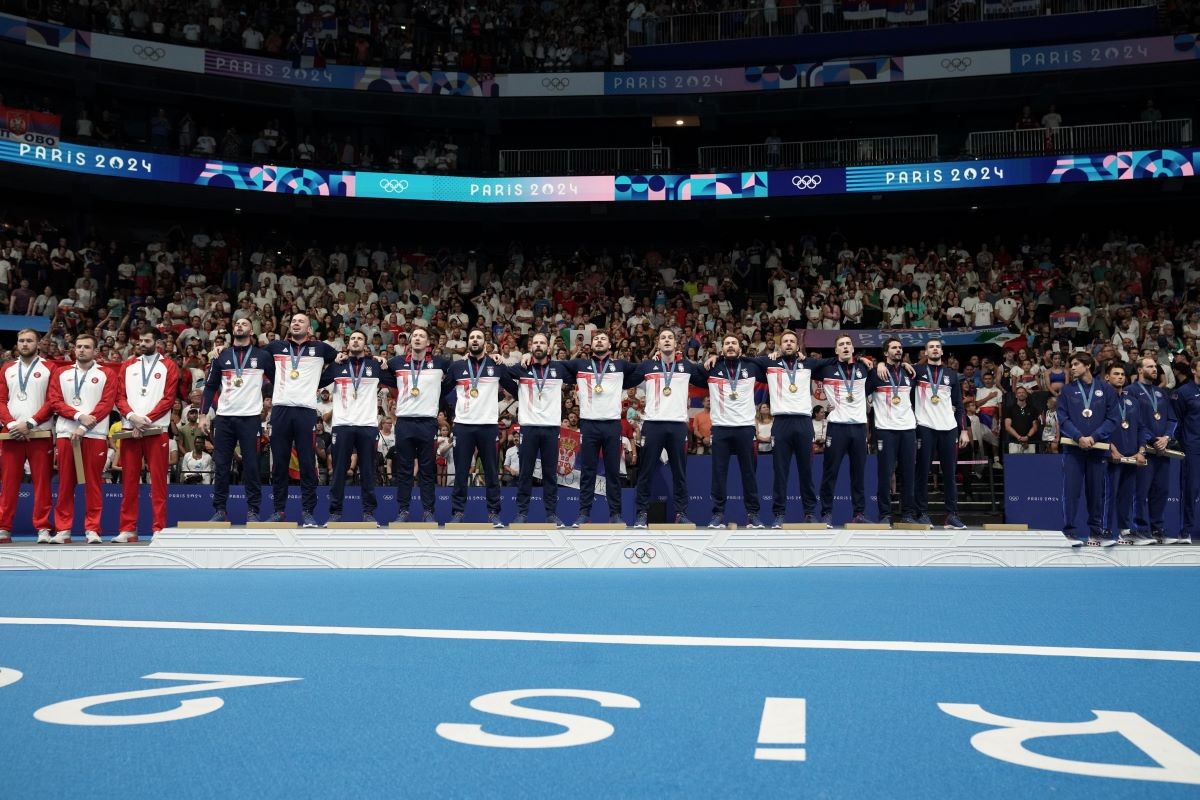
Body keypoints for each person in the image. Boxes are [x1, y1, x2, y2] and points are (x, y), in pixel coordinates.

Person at [747, 330, 840, 526]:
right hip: (780, 423)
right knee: (780, 472)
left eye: (792, 341)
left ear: (798, 346)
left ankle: (809, 512)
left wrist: (874, 362)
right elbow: (746, 360)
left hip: (804, 424)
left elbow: (834, 361)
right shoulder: (770, 363)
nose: (788, 344)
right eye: (785, 341)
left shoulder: (808, 364)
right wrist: (767, 354)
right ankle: (779, 513)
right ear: (780, 346)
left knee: (806, 471)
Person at [265, 313, 340, 526]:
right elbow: (261, 362)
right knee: (279, 463)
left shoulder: (321, 348)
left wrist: (319, 381)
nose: (296, 323)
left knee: (308, 463)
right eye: (293, 321)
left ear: (309, 329)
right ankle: (279, 510)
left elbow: (341, 361)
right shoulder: (276, 347)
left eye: (301, 321)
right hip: (280, 410)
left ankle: (307, 511)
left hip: (306, 411)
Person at [630, 328, 708, 528]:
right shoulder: (647, 366)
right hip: (653, 425)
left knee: (679, 473)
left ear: (676, 344)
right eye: (663, 338)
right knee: (646, 472)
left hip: (677, 426)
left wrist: (713, 358)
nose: (666, 340)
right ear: (658, 343)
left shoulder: (686, 366)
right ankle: (641, 513)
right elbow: (627, 378)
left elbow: (707, 376)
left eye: (670, 338)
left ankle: (681, 513)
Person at [200, 317, 275, 523]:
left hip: (250, 419)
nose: (239, 326)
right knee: (221, 465)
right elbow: (210, 387)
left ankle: (253, 510)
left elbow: (279, 381)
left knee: (251, 466)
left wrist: (274, 409)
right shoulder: (221, 355)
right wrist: (203, 415)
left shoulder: (263, 356)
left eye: (244, 324)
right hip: (224, 418)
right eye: (237, 324)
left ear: (252, 331)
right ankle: (220, 510)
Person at [322, 331, 396, 524]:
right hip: (342, 425)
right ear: (348, 344)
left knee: (368, 470)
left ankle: (369, 512)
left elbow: (396, 382)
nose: (355, 341)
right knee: (338, 470)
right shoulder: (338, 365)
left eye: (359, 339)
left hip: (367, 426)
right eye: (352, 338)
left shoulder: (374, 365)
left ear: (366, 344)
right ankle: (335, 511)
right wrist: (331, 361)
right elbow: (319, 382)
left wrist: (386, 365)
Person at [48, 334, 116, 543]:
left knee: (94, 483)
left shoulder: (107, 373)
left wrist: (85, 426)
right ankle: (63, 530)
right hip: (67, 433)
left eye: (87, 347)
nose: (82, 350)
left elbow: (106, 404)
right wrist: (79, 417)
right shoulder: (61, 373)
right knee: (65, 483)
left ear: (96, 351)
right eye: (78, 346)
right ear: (74, 350)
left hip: (95, 434)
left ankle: (93, 529)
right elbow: (55, 401)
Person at [564, 331, 638, 526]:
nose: (599, 341)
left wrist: (657, 357)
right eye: (596, 339)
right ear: (591, 345)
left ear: (610, 345)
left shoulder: (620, 365)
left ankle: (615, 514)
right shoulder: (580, 365)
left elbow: (644, 370)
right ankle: (584, 513)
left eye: (603, 338)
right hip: (589, 425)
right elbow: (555, 365)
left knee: (613, 471)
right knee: (587, 471)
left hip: (612, 425)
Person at [114, 330, 181, 542]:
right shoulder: (128, 365)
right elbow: (119, 396)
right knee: (129, 481)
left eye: (146, 340)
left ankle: (159, 529)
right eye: (140, 340)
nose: (142, 343)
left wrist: (147, 419)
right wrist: (133, 417)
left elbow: (169, 398)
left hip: (156, 430)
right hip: (130, 430)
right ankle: (128, 529)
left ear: (157, 342)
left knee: (158, 482)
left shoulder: (169, 365)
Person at [446, 328, 518, 526]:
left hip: (488, 427)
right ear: (468, 342)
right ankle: (458, 512)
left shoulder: (496, 365)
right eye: (472, 337)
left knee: (491, 471)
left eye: (479, 337)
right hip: (463, 426)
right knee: (461, 471)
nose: (475, 340)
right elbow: (441, 392)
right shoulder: (457, 367)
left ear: (485, 343)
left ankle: (493, 512)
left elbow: (515, 390)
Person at [508, 332, 576, 526]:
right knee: (525, 473)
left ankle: (551, 514)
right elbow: (502, 373)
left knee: (550, 474)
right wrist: (519, 393)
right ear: (530, 347)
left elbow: (579, 370)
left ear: (548, 347)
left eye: (542, 343)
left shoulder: (559, 368)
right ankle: (521, 513)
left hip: (551, 428)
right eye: (535, 343)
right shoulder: (523, 367)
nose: (538, 345)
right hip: (528, 428)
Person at [388, 326, 451, 523]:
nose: (417, 338)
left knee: (427, 469)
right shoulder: (396, 363)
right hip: (404, 421)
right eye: (414, 335)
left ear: (428, 343)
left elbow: (460, 370)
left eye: (421, 336)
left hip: (427, 423)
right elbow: (380, 370)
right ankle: (403, 510)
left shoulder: (440, 363)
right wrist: (380, 360)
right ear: (409, 342)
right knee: (404, 469)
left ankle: (428, 511)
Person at [702, 334, 766, 528]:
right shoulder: (712, 368)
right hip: (721, 429)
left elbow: (773, 365)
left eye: (734, 343)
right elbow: (689, 371)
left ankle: (753, 515)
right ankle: (718, 514)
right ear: (722, 349)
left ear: (740, 348)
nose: (730, 346)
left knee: (749, 474)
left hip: (745, 429)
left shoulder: (752, 367)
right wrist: (715, 358)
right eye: (727, 344)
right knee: (719, 474)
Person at [1057, 351, 1120, 546]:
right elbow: (1063, 418)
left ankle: (1096, 532)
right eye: (1071, 364)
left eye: (1076, 364)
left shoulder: (1106, 389)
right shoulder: (1067, 390)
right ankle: (1069, 532)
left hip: (1097, 449)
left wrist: (1094, 437)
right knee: (1071, 492)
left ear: (1088, 365)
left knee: (1096, 493)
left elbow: (1113, 418)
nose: (1072, 367)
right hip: (1073, 450)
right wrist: (1078, 437)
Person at [0, 328, 56, 543]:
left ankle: (42, 527)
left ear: (38, 343)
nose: (25, 344)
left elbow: (53, 401)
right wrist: (13, 424)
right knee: (9, 483)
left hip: (40, 433)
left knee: (42, 484)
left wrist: (31, 423)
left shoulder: (50, 368)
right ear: (17, 343)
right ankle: (4, 527)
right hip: (11, 434)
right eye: (21, 341)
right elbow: (1, 401)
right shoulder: (7, 369)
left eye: (29, 341)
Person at [912, 338, 970, 530]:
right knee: (922, 471)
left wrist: (964, 430)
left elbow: (960, 405)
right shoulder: (917, 371)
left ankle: (952, 515)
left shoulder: (952, 375)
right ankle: (921, 513)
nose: (935, 349)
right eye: (931, 347)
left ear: (942, 352)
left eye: (938, 347)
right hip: (925, 426)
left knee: (950, 473)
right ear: (925, 352)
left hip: (948, 427)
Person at [814, 335, 872, 526]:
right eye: (841, 345)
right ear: (836, 350)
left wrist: (877, 364)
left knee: (858, 473)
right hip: (836, 428)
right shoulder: (827, 369)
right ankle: (827, 513)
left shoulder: (864, 368)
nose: (845, 347)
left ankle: (859, 513)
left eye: (848, 344)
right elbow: (806, 364)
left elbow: (884, 372)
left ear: (853, 349)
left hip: (858, 428)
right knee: (830, 472)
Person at [867, 337, 916, 525]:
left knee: (908, 474)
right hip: (885, 430)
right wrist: (878, 364)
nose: (898, 350)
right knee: (885, 474)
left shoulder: (909, 372)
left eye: (900, 347)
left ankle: (908, 514)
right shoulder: (876, 374)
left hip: (908, 429)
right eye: (894, 348)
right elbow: (860, 393)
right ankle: (885, 514)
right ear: (886, 353)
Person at [1130, 356, 1176, 543]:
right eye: (1150, 366)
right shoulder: (1130, 391)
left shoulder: (1161, 392)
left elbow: (1172, 419)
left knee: (1161, 491)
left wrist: (1166, 438)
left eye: (1155, 366)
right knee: (1141, 491)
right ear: (1140, 370)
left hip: (1163, 450)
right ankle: (1140, 529)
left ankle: (1158, 530)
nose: (1154, 369)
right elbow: (1134, 421)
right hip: (1143, 449)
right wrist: (1151, 438)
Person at [1101, 361, 1146, 545]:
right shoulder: (1100, 400)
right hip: (1112, 457)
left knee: (1127, 495)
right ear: (1107, 377)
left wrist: (1141, 451)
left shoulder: (1132, 401)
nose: (1120, 377)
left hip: (1132, 457)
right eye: (1116, 374)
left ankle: (1123, 531)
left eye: (1122, 374)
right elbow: (1098, 428)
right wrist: (1112, 448)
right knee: (1109, 495)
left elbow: (1141, 428)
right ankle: (1105, 530)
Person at [1172, 359, 1200, 545]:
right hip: (1193, 447)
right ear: (1193, 370)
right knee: (1191, 490)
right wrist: (1184, 444)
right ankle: (1186, 531)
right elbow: (1176, 422)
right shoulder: (1183, 393)